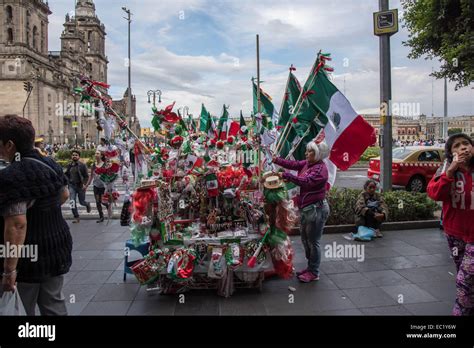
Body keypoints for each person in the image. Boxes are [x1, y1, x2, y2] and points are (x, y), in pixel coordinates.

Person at [0, 115, 72, 315]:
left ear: (9, 145)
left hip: (28, 258)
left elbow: (17, 226)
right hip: (57, 247)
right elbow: (64, 195)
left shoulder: (12, 176)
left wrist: (9, 271)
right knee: (54, 304)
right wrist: (44, 209)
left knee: (22, 306)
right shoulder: (51, 164)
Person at [427, 133, 474, 316]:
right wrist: (451, 171)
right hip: (455, 234)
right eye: (457, 146)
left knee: (465, 278)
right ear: (451, 153)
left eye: (467, 144)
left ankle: (460, 312)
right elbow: (435, 194)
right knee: (467, 278)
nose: (463, 147)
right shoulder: (446, 169)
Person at [272, 141, 330, 283]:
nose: (306, 154)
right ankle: (310, 267)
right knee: (305, 239)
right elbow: (294, 164)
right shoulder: (307, 164)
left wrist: (287, 176)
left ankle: (314, 272)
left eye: (309, 151)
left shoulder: (321, 170)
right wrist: (277, 160)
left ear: (317, 154)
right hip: (307, 209)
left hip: (317, 210)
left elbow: (306, 181)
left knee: (313, 242)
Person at [65, 150, 91, 223]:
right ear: (71, 156)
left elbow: (86, 176)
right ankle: (76, 217)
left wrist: (84, 184)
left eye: (76, 155)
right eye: (73, 155)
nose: (74, 156)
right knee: (72, 201)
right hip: (72, 186)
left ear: (79, 157)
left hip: (80, 186)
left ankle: (87, 204)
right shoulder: (69, 165)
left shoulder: (82, 165)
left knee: (81, 202)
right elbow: (66, 174)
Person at [85, 151, 108, 223]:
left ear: (101, 156)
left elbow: (109, 174)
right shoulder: (93, 165)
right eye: (95, 153)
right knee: (98, 202)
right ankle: (101, 217)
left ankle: (108, 206)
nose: (96, 155)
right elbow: (91, 176)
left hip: (103, 186)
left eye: (98, 153)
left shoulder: (105, 164)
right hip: (96, 185)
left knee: (102, 201)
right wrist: (87, 185)